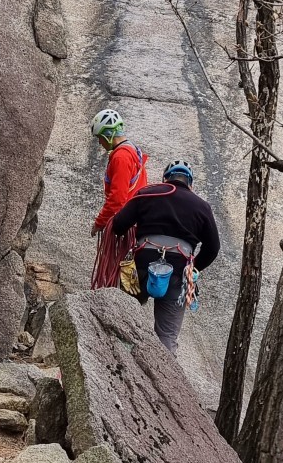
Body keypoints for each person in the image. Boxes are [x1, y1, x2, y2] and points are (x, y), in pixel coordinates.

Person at [110, 160, 220, 356]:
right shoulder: (202, 206)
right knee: (167, 337)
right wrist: (193, 267)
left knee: (122, 319)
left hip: (140, 268)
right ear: (190, 183)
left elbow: (118, 225)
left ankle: (115, 359)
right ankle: (163, 382)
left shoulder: (148, 193)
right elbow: (213, 248)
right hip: (177, 274)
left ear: (165, 179)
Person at [89, 106, 148, 289]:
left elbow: (117, 199)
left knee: (114, 269)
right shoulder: (132, 152)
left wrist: (99, 223)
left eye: (100, 138)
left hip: (124, 223)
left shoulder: (121, 157)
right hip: (135, 222)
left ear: (107, 135)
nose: (99, 144)